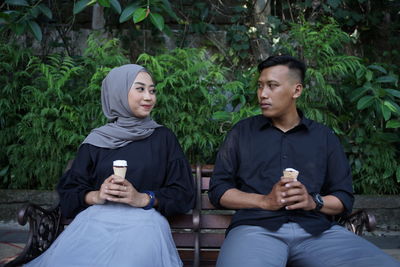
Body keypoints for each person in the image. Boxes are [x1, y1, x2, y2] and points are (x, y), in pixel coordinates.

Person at [208, 55, 399, 267]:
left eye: (272, 86)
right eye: (260, 86)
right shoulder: (242, 133)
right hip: (255, 229)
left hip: (317, 232)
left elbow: (343, 198)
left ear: (296, 90)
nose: (263, 94)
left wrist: (313, 202)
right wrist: (264, 201)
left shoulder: (323, 137)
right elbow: (219, 190)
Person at [25, 64, 195, 267]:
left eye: (152, 90)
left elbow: (183, 192)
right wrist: (97, 195)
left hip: (144, 225)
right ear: (118, 93)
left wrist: (143, 198)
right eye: (140, 89)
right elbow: (70, 192)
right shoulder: (96, 141)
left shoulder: (163, 138)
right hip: (95, 222)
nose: (149, 97)